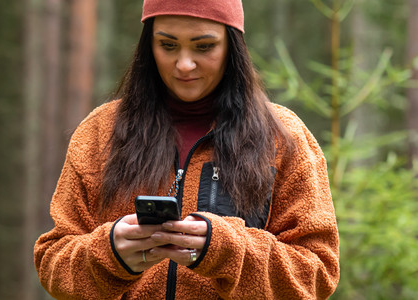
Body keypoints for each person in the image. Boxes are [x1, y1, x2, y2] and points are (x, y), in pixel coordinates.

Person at [33, 0, 340, 299]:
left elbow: (317, 275)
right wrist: (110, 255)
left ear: (232, 46)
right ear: (148, 46)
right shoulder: (102, 131)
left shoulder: (283, 138)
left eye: (204, 46)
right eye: (167, 45)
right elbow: (53, 264)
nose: (184, 64)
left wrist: (224, 249)